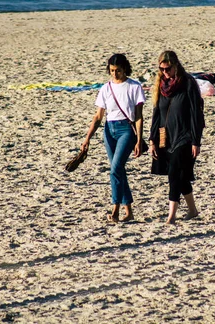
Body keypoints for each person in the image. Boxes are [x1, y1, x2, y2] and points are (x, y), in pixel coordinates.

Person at [80, 53, 146, 223]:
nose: (115, 74)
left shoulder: (134, 87)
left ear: (125, 69)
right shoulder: (106, 88)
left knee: (115, 169)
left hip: (126, 130)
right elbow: (98, 116)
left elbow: (139, 116)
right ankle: (129, 211)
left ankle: (115, 209)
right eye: (111, 71)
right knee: (118, 170)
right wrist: (87, 138)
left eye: (118, 70)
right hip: (109, 129)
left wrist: (139, 139)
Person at [149, 51, 205, 224]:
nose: (165, 72)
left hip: (185, 136)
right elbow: (156, 113)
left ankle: (171, 216)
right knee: (181, 176)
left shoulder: (188, 83)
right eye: (161, 69)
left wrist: (196, 141)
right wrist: (152, 139)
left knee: (174, 173)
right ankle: (193, 210)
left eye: (168, 69)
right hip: (166, 136)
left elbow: (197, 114)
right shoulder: (161, 85)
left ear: (176, 66)